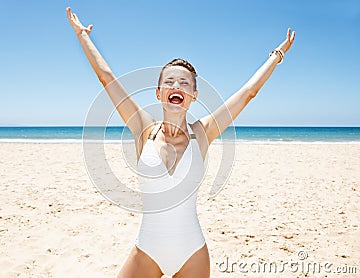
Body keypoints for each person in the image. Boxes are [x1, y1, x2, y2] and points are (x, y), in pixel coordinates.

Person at [67, 7, 295, 278]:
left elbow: (248, 93)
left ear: (194, 95)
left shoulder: (204, 132)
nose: (177, 85)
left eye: (185, 83)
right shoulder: (144, 129)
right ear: (159, 93)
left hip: (192, 254)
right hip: (146, 252)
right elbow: (107, 77)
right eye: (170, 81)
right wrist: (83, 36)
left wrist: (276, 56)